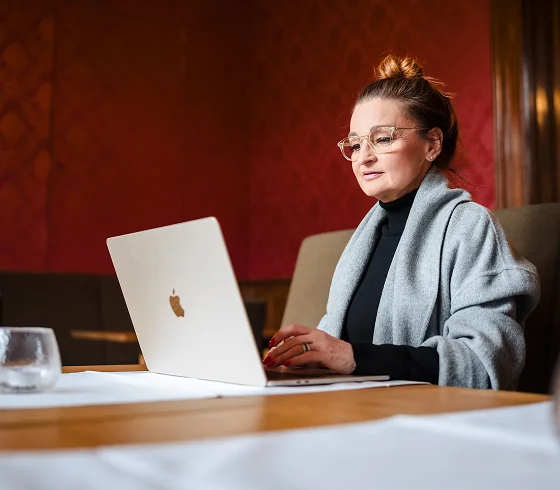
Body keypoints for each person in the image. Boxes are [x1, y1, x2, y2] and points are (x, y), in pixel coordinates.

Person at [262, 55, 540, 389]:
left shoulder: (470, 227)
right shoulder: (363, 241)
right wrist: (308, 351)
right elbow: (342, 351)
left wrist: (352, 358)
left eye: (382, 139)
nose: (363, 157)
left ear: (432, 144)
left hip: (429, 422)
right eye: (354, 144)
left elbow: (484, 362)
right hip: (349, 408)